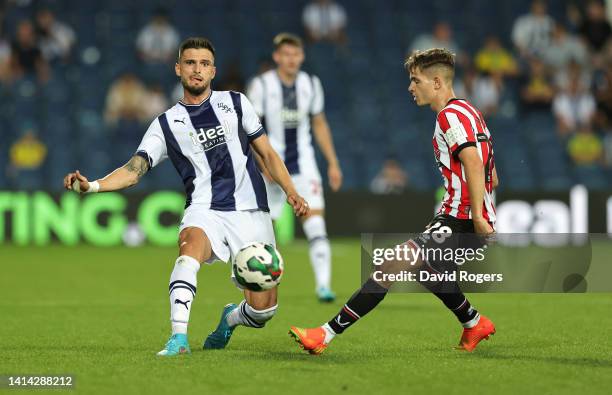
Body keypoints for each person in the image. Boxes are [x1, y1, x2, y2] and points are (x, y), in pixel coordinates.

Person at [63, 37, 309, 356]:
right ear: (178, 68)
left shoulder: (236, 103)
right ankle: (178, 338)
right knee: (189, 251)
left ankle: (231, 319)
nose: (197, 70)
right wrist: (92, 186)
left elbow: (268, 154)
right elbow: (134, 169)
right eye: (190, 63)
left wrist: (291, 191)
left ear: (213, 71)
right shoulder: (165, 124)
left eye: (204, 64)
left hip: (251, 211)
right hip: (204, 209)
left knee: (263, 311)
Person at [289, 48, 498, 354]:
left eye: (416, 80)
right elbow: (492, 170)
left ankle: (324, 334)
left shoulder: (449, 116)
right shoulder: (469, 110)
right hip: (460, 214)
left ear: (437, 82)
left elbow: (474, 163)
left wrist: (476, 216)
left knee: (390, 265)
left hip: (465, 218)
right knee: (428, 271)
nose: (410, 87)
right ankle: (472, 321)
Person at [247, 33, 342, 302]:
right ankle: (259, 284)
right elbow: (250, 128)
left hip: (304, 167)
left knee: (315, 225)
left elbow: (319, 124)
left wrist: (333, 162)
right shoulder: (261, 85)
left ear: (302, 57)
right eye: (285, 54)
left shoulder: (311, 84)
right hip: (270, 168)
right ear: (277, 57)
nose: (291, 59)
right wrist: (261, 162)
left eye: (296, 54)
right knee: (264, 230)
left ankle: (323, 286)